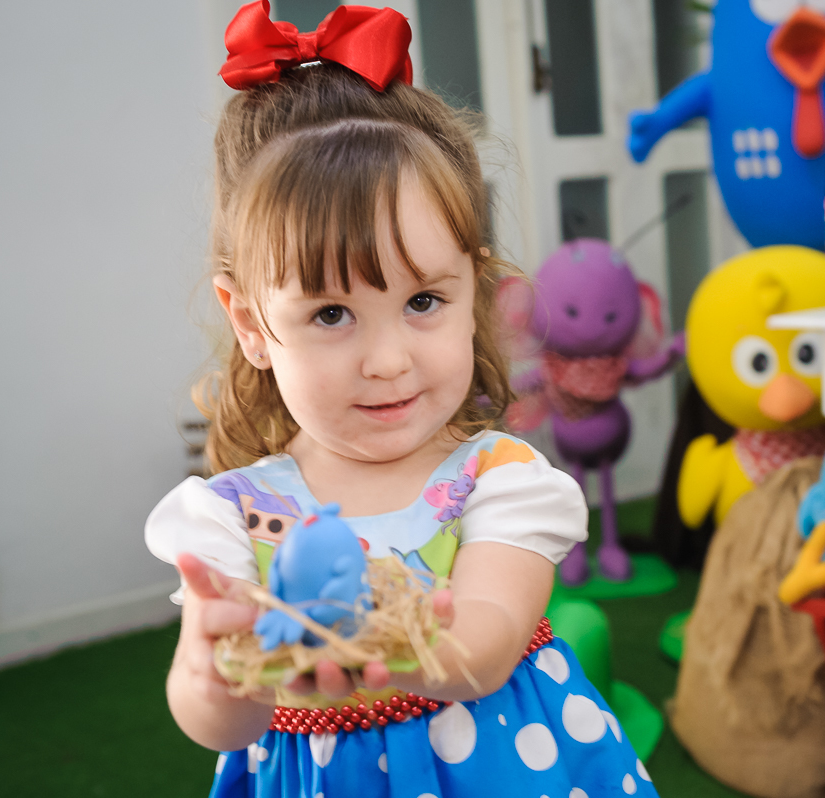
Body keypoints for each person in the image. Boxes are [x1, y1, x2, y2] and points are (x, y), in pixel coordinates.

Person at [145, 3, 658, 796]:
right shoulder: (225, 517)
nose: (387, 362)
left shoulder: (500, 479)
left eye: (423, 302)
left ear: (473, 291)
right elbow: (220, 721)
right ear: (249, 324)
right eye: (329, 313)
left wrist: (375, 637)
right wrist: (218, 676)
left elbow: (484, 647)